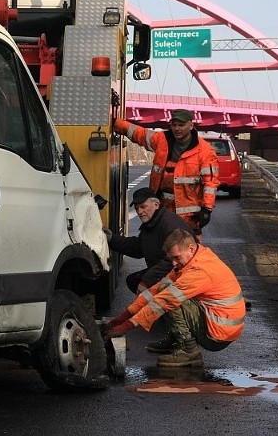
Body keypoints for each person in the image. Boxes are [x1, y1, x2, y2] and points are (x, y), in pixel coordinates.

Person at [104, 229, 245, 367]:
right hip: (218, 323)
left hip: (218, 335)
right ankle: (175, 340)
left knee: (172, 300)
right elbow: (154, 291)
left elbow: (164, 301)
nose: (173, 264)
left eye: (176, 257)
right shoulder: (193, 259)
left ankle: (189, 351)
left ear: (190, 248)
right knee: (165, 291)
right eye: (171, 258)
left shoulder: (200, 271)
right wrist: (122, 317)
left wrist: (126, 326)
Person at [114, 109, 219, 239]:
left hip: (188, 216)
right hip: (162, 209)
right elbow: (140, 134)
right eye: (174, 125)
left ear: (191, 126)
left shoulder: (204, 151)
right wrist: (116, 123)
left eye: (181, 125)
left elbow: (210, 182)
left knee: (185, 252)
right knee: (161, 247)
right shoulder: (162, 140)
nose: (177, 129)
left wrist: (207, 209)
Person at [105, 187, 194, 294]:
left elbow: (172, 261)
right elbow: (138, 247)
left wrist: (147, 280)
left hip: (181, 274)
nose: (139, 212)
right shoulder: (153, 222)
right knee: (134, 280)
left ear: (156, 205)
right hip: (170, 271)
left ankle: (157, 308)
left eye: (143, 207)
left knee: (140, 283)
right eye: (137, 208)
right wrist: (112, 239)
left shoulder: (169, 226)